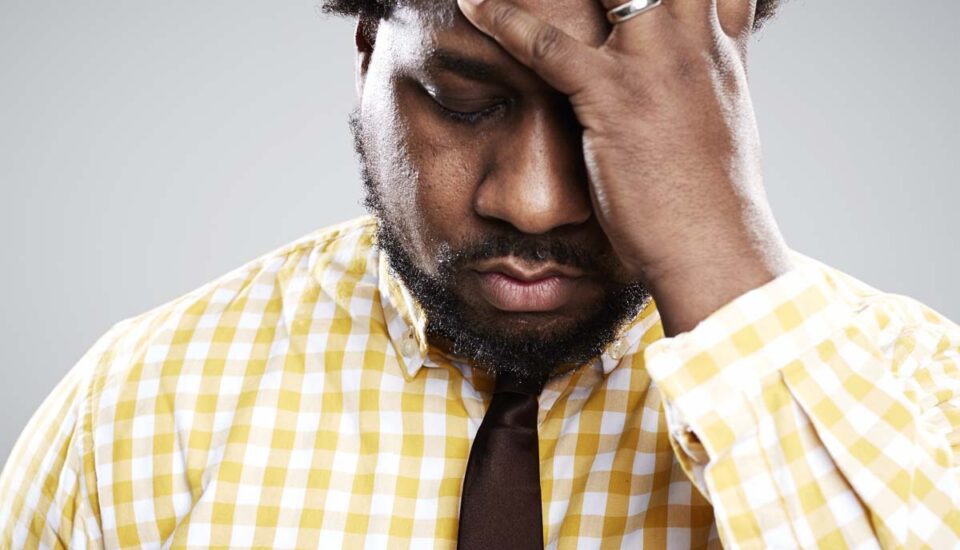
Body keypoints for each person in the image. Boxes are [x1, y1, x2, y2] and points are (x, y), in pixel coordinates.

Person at [2, 0, 958, 547]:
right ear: (367, 58)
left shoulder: (922, 397)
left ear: (719, 92)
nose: (534, 203)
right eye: (461, 102)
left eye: (608, 115)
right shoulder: (140, 404)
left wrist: (720, 257)